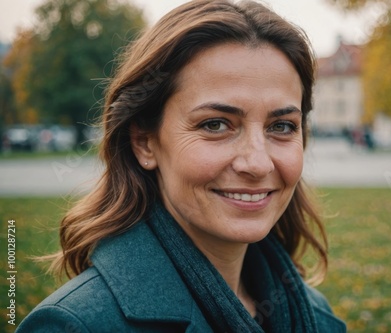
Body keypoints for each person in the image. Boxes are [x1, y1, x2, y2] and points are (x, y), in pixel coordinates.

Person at [17, 1, 346, 332]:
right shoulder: (75, 325)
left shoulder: (318, 316)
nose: (258, 163)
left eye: (282, 126)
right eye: (216, 125)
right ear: (145, 142)